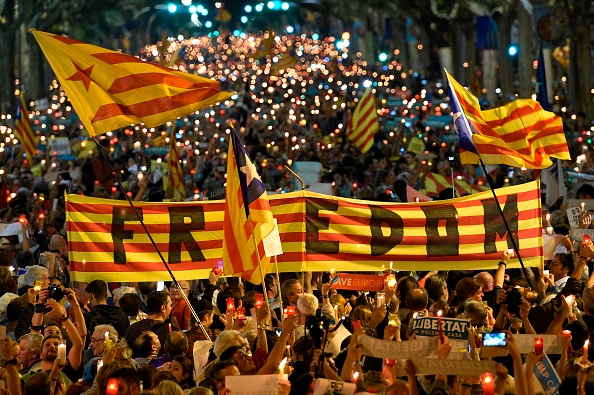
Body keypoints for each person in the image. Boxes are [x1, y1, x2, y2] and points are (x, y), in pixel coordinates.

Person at [125, 291, 176, 355]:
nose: (171, 308)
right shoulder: (172, 333)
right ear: (163, 308)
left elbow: (126, 352)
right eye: (170, 305)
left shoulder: (132, 328)